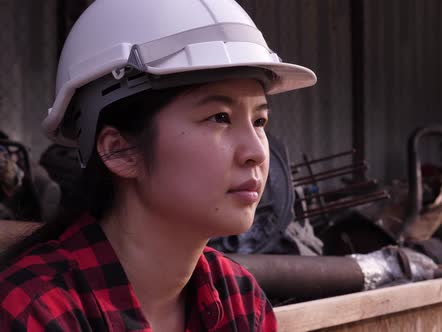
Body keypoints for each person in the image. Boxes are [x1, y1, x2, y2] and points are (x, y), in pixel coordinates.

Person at [0, 0, 316, 330]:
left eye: (260, 120)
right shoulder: (36, 311)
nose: (256, 152)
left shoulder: (239, 299)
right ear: (119, 152)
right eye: (219, 117)